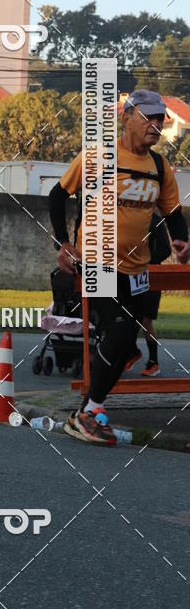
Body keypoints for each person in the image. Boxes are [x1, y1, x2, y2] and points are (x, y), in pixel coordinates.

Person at [49, 89, 190, 445]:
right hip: (96, 261)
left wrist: (181, 240)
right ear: (126, 117)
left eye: (161, 120)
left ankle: (88, 409)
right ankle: (88, 411)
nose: (156, 126)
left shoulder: (159, 167)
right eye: (149, 118)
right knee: (119, 333)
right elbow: (57, 195)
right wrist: (62, 243)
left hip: (136, 269)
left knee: (127, 344)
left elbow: (171, 210)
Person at [124, 211, 170, 377]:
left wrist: (144, 260)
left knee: (145, 320)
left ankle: (153, 363)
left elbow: (166, 250)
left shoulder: (156, 221)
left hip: (149, 276)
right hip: (129, 274)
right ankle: (133, 352)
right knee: (125, 316)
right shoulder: (128, 215)